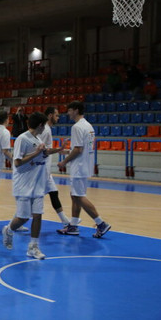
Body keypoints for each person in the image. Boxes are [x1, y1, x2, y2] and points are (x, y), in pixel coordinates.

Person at [56, 101, 111, 238]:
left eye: (69, 110)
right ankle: (73, 226)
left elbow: (78, 149)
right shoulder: (88, 126)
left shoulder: (76, 127)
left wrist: (64, 161)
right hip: (86, 164)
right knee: (75, 195)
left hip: (79, 166)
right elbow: (82, 148)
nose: (68, 113)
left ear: (75, 110)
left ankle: (101, 223)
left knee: (79, 197)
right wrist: (68, 152)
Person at [2, 112, 49, 260]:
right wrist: (36, 153)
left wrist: (58, 151)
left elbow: (42, 154)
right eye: (45, 125)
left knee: (38, 215)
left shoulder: (39, 138)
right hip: (23, 184)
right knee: (22, 218)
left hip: (37, 183)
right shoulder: (22, 139)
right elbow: (17, 162)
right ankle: (8, 230)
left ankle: (33, 247)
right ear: (41, 125)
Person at [37, 106, 70, 227]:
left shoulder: (47, 129)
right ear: (50, 115)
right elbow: (41, 149)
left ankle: (65, 220)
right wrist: (60, 149)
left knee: (53, 193)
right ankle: (17, 221)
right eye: (56, 115)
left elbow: (47, 149)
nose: (58, 117)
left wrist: (64, 151)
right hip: (40, 169)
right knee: (33, 199)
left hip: (45, 170)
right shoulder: (45, 130)